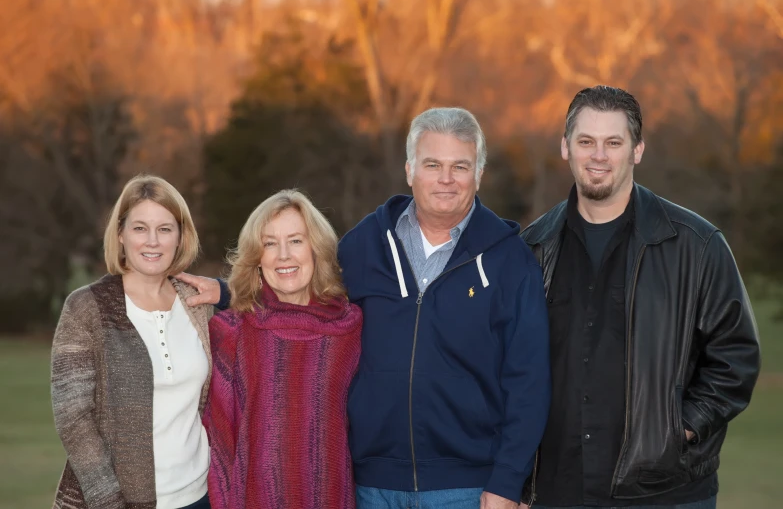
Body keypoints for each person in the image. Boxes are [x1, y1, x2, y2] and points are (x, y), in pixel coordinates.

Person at [179, 108, 551, 508]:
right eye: (432, 164)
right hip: (370, 487)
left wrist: (508, 483)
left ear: (478, 174)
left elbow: (529, 381)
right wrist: (228, 293)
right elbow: (303, 296)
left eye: (460, 166)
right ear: (410, 170)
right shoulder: (365, 245)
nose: (446, 179)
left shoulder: (510, 261)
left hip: (467, 488)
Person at [519, 86, 761, 509]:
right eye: (586, 141)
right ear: (565, 147)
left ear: (637, 151)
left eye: (614, 142)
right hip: (557, 492)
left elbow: (735, 358)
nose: (599, 155)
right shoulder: (532, 248)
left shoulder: (697, 245)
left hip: (664, 493)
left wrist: (677, 431)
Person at [51, 175, 214, 509]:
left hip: (200, 494)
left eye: (165, 229)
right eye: (140, 228)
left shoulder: (199, 304)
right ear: (121, 234)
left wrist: (225, 290)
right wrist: (109, 501)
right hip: (119, 501)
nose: (152, 241)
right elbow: (73, 419)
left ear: (181, 237)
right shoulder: (86, 308)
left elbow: (266, 292)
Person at [202, 190, 362, 509]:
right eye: (270, 244)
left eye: (296, 240)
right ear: (256, 258)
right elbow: (218, 446)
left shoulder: (349, 329)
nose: (284, 255)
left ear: (316, 250)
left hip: (330, 496)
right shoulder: (231, 332)